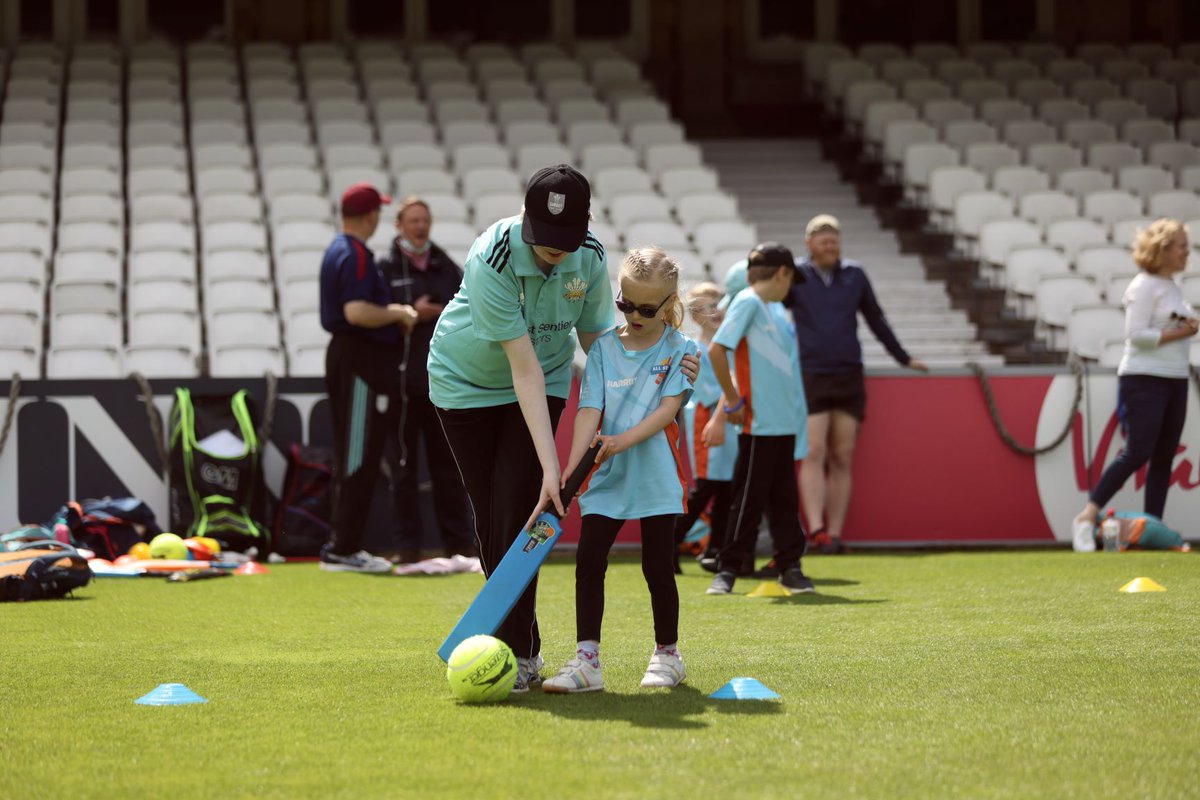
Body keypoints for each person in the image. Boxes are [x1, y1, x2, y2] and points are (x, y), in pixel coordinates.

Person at [543, 247, 696, 693]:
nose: (633, 314)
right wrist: (572, 470)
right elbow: (589, 408)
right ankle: (586, 660)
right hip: (606, 475)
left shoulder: (682, 350)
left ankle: (668, 655)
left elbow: (668, 411)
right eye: (624, 303)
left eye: (646, 308)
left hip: (655, 475)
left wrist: (619, 443)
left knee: (657, 566)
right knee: (589, 560)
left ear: (669, 304)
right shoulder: (605, 349)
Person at [791, 214, 929, 557]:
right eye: (823, 241)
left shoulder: (855, 275)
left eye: (834, 241)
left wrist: (902, 357)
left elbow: (875, 317)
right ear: (809, 243)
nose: (830, 246)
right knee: (813, 451)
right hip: (810, 374)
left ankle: (835, 534)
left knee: (842, 454)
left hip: (849, 373)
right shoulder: (794, 275)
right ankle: (816, 530)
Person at [1071, 219, 1197, 551]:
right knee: (1138, 451)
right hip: (1143, 379)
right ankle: (1086, 516)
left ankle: (1151, 529)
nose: (1188, 251)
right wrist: (1181, 332)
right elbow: (1135, 336)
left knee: (1164, 457)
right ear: (1163, 249)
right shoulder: (1143, 285)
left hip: (1175, 379)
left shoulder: (1171, 286)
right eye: (1182, 245)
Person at [318, 183, 417, 573]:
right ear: (371, 215)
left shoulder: (338, 249)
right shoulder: (354, 253)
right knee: (358, 453)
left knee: (354, 451)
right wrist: (398, 313)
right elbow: (357, 312)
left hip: (350, 358)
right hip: (358, 361)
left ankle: (343, 544)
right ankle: (343, 547)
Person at [705, 243, 813, 596]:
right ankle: (728, 569)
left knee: (784, 501)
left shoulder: (777, 310)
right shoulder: (749, 301)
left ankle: (790, 566)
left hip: (783, 424)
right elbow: (718, 350)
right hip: (760, 423)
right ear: (782, 272)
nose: (791, 286)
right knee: (748, 499)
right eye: (790, 278)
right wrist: (733, 402)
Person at [376, 196, 475, 564]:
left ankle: (461, 548)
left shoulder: (444, 265)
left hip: (443, 385)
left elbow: (468, 308)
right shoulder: (385, 267)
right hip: (400, 388)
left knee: (449, 470)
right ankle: (408, 551)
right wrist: (409, 315)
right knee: (403, 472)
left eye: (425, 221)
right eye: (413, 221)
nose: (420, 227)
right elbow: (371, 318)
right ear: (398, 225)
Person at [673, 282, 738, 574]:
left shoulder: (727, 346)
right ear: (696, 315)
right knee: (706, 488)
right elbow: (712, 391)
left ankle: (715, 551)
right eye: (706, 307)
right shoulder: (695, 348)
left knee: (726, 489)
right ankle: (670, 544)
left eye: (718, 304)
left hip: (728, 422)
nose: (715, 311)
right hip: (707, 418)